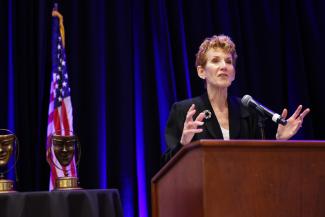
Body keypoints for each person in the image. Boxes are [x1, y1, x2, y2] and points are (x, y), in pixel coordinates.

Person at [163, 35, 310, 163]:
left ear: (233, 73)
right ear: (201, 72)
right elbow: (167, 165)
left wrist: (279, 140)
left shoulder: (247, 110)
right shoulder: (185, 110)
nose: (223, 66)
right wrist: (183, 143)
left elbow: (262, 161)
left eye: (228, 61)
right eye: (215, 61)